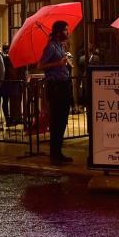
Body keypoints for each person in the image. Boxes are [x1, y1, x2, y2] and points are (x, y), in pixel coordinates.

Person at [37, 21, 73, 164]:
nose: (67, 32)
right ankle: (54, 154)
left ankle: (58, 152)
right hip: (56, 86)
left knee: (63, 120)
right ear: (58, 32)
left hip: (64, 85)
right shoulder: (50, 47)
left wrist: (66, 61)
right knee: (57, 120)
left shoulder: (60, 45)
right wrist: (57, 64)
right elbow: (40, 65)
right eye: (65, 30)